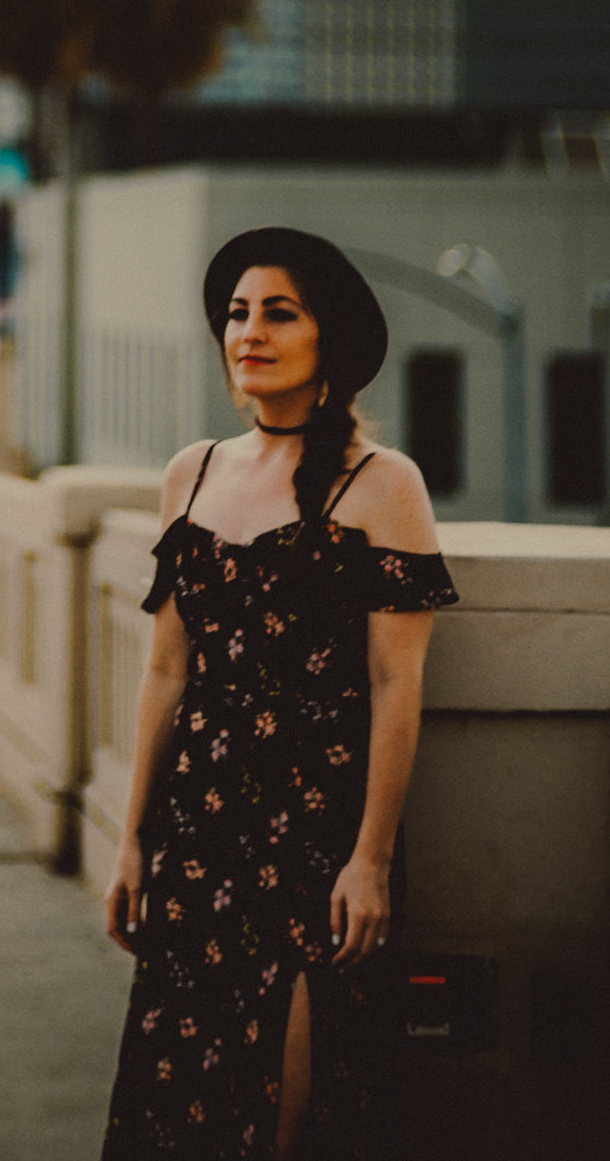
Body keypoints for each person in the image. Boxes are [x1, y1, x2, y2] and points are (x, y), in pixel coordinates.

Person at [100, 226, 457, 1160]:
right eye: (236, 313)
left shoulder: (385, 485)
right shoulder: (194, 471)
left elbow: (395, 680)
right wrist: (132, 840)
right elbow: (168, 671)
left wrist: (370, 858)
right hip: (199, 834)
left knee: (292, 1105)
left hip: (317, 836)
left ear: (327, 341)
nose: (248, 331)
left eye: (278, 313)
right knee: (184, 1096)